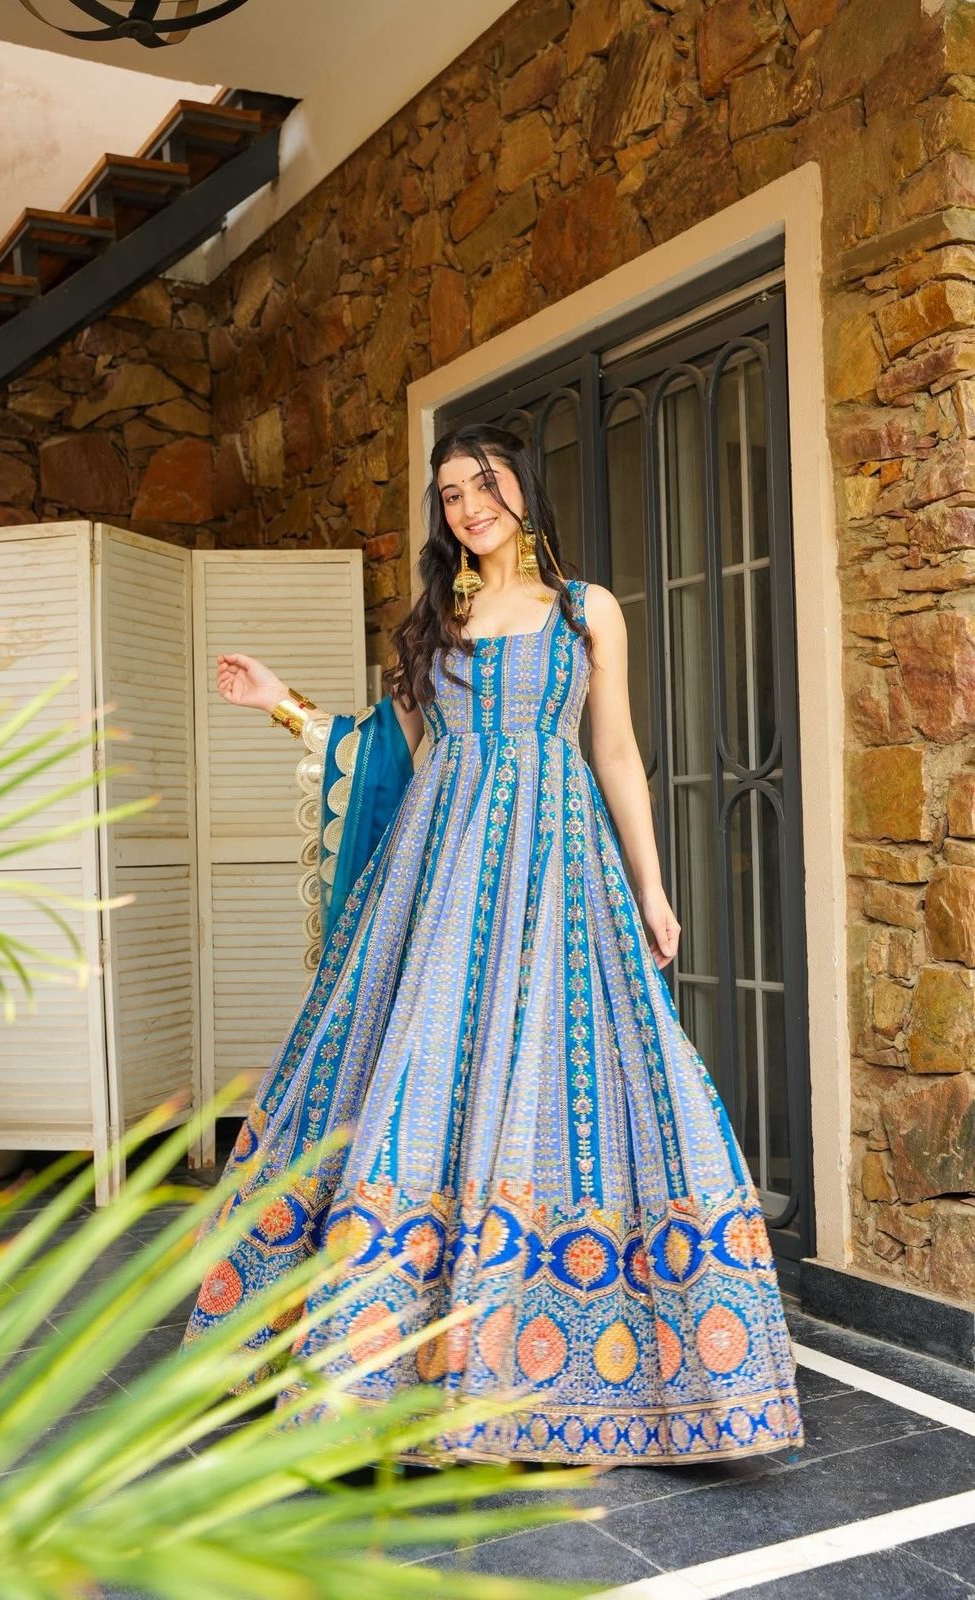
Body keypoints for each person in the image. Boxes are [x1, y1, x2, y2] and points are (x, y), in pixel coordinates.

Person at [181, 422, 804, 1467]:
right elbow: (394, 750)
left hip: (562, 874)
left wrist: (652, 885)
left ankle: (581, 1358)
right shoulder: (439, 618)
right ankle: (377, 1362)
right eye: (448, 494)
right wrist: (279, 703)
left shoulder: (584, 609)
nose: (466, 505)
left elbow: (615, 752)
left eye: (482, 484)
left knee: (590, 1080)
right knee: (425, 1077)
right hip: (440, 883)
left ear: (522, 486)